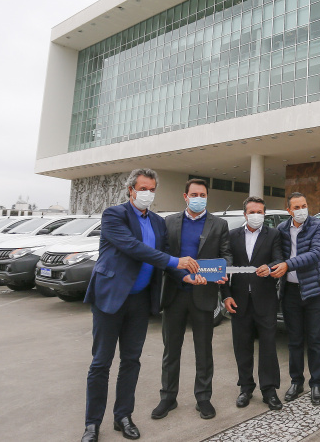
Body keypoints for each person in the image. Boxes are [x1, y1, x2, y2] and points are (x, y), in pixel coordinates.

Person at [82, 169, 197, 442]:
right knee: (101, 363)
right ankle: (92, 424)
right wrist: (176, 262)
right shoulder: (114, 215)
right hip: (111, 298)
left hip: (140, 300)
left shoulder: (157, 222)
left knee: (131, 361)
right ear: (131, 190)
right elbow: (133, 247)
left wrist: (186, 275)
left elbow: (164, 256)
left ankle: (123, 416)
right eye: (143, 188)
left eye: (152, 189)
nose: (148, 194)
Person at [153, 178, 232, 422]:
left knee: (204, 350)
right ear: (185, 196)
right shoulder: (169, 222)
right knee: (171, 350)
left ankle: (203, 398)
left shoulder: (219, 224)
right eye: (194, 194)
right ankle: (168, 397)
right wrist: (183, 276)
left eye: (203, 195)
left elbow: (226, 255)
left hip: (204, 295)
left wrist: (223, 271)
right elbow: (164, 257)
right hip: (175, 294)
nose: (199, 198)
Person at [222, 196, 285, 411]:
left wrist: (270, 267)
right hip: (239, 300)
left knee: (268, 346)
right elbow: (224, 268)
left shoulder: (273, 234)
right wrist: (226, 295)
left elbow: (279, 259)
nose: (256, 215)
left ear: (264, 214)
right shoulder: (232, 236)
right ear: (245, 214)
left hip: (265, 299)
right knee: (242, 345)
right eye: (252, 212)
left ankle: (269, 390)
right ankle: (246, 388)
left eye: (260, 212)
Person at [271, 192, 320, 406]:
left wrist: (287, 265)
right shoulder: (282, 229)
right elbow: (277, 255)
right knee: (294, 340)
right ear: (289, 210)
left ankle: (316, 384)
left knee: (315, 339)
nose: (302, 210)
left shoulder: (318, 226)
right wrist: (272, 266)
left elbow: (315, 254)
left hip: (314, 291)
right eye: (296, 207)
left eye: (304, 205)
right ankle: (296, 382)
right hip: (291, 293)